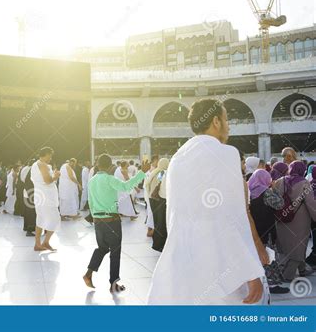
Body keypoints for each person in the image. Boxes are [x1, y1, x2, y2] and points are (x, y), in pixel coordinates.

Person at [148, 99, 266, 305]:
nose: (228, 125)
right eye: (226, 119)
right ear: (216, 121)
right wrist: (251, 270)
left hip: (182, 264)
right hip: (219, 265)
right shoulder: (226, 154)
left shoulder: (177, 158)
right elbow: (233, 218)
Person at [83, 153, 150, 292]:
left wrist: (95, 216)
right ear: (110, 166)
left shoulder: (92, 180)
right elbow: (126, 187)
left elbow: (90, 201)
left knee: (102, 248)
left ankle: (88, 274)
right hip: (111, 221)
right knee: (115, 252)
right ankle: (113, 284)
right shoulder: (109, 179)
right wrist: (142, 172)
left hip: (98, 221)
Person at [273, 160, 316, 281]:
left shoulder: (280, 181)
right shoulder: (305, 183)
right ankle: (288, 275)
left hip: (281, 218)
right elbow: (311, 203)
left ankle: (301, 269)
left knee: (285, 245)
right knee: (298, 246)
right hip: (300, 221)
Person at [31, 147, 61, 251]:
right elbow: (48, 180)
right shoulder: (42, 165)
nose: (50, 158)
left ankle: (40, 243)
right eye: (50, 155)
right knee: (55, 219)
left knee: (41, 219)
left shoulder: (35, 164)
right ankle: (44, 242)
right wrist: (56, 176)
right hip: (46, 198)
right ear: (46, 154)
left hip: (41, 196)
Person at [145, 158, 169, 252]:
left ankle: (156, 243)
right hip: (158, 199)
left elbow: (147, 184)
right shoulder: (162, 173)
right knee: (161, 222)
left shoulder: (154, 171)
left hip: (152, 199)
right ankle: (159, 244)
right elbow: (159, 184)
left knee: (157, 221)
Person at [21, 160, 36, 236]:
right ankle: (30, 229)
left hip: (26, 191)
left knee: (27, 210)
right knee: (31, 211)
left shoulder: (25, 169)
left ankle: (26, 227)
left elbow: (22, 180)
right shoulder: (32, 170)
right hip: (30, 192)